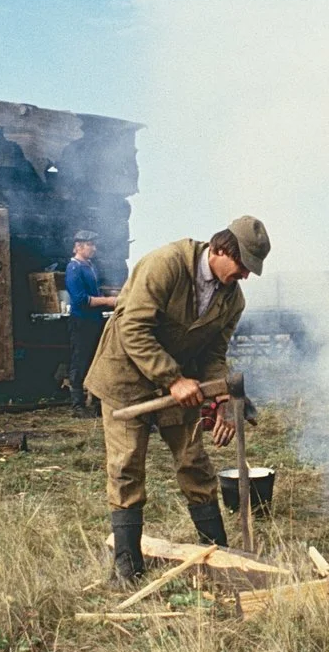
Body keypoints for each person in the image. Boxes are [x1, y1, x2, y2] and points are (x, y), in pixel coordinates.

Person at [86, 216, 271, 585]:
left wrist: (220, 399)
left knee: (194, 463)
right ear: (221, 250)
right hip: (126, 378)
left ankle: (220, 556)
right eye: (243, 266)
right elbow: (132, 329)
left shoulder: (233, 299)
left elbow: (215, 354)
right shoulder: (166, 264)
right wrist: (172, 379)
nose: (245, 276)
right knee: (126, 467)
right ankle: (126, 567)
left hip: (180, 386)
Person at [63, 230, 115, 417]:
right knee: (80, 361)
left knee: (98, 360)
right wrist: (109, 302)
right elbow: (81, 299)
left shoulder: (90, 266)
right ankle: (77, 406)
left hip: (94, 321)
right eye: (90, 244)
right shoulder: (74, 268)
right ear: (79, 246)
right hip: (81, 322)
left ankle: (98, 404)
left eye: (94, 244)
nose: (94, 248)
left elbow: (95, 293)